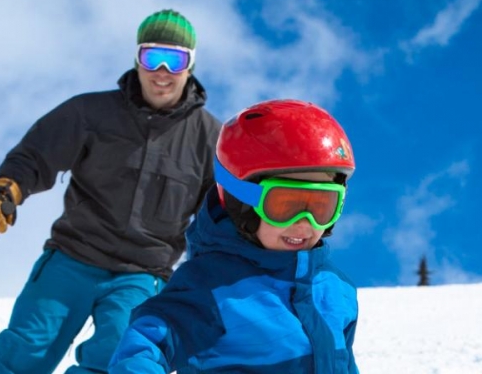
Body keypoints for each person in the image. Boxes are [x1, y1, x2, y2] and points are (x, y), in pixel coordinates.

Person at [0, 9, 221, 374]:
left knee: (121, 357)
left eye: (175, 60)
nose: (162, 72)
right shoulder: (91, 113)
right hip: (74, 257)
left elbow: (220, 213)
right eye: (153, 57)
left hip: (142, 273)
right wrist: (5, 190)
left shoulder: (209, 140)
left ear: (190, 66)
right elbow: (37, 154)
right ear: (137, 58)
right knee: (27, 347)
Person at [109, 99, 360, 373]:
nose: (304, 223)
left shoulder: (337, 287)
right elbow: (145, 344)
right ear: (241, 202)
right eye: (286, 204)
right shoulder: (210, 286)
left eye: (321, 206)